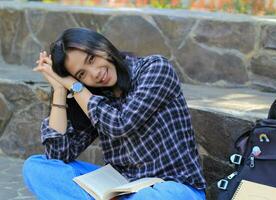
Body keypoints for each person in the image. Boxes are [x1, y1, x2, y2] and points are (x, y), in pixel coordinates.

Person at [22, 27, 206, 200]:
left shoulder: (155, 69)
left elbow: (121, 124)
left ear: (102, 46)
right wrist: (60, 90)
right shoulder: (92, 96)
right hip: (121, 189)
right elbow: (58, 155)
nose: (95, 73)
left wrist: (76, 86)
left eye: (91, 59)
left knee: (155, 196)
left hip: (173, 188)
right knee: (36, 168)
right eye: (81, 75)